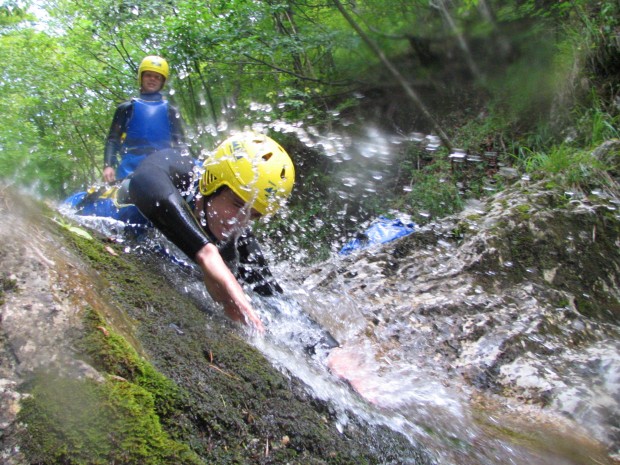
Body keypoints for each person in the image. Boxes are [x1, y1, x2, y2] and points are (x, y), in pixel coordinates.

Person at [103, 55, 188, 183]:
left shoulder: (171, 111)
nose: (152, 79)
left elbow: (179, 143)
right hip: (130, 167)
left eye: (157, 77)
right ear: (141, 78)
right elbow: (113, 140)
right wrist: (108, 165)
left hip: (163, 165)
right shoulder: (126, 108)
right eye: (148, 75)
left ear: (162, 82)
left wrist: (185, 163)